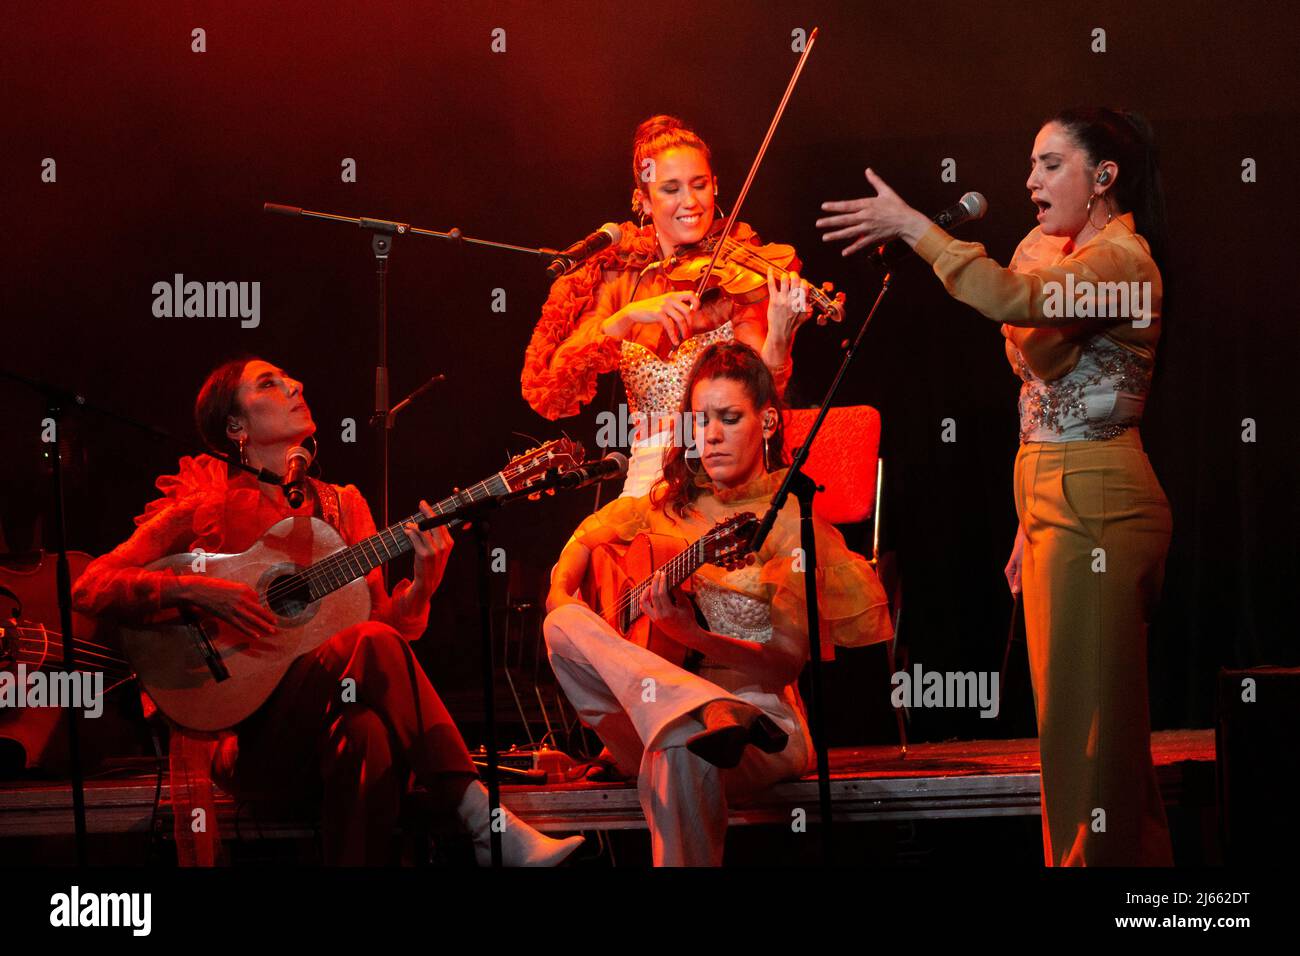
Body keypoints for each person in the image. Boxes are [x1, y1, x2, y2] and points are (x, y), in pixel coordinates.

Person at [818, 107, 1172, 866]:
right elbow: (1039, 364)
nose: (1030, 180)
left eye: (1050, 164)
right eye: (1032, 164)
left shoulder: (1123, 263)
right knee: (1076, 734)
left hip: (1100, 499)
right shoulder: (1055, 253)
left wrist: (918, 229)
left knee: (1091, 735)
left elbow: (1015, 308)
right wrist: (1025, 521)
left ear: (1104, 176)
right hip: (1053, 499)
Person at [73, 357, 583, 867]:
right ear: (235, 427)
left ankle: (476, 826)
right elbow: (91, 586)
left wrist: (424, 586)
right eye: (269, 384)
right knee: (364, 665)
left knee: (367, 732)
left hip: (322, 728)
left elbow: (380, 632)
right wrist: (197, 591)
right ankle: (482, 821)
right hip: (242, 738)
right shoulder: (204, 502)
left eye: (291, 377)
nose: (296, 384)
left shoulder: (341, 507)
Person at [543, 342, 894, 865]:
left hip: (760, 720)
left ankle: (697, 715)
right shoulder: (667, 503)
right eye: (701, 421)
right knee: (560, 624)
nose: (709, 435)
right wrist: (560, 590)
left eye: (728, 418)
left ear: (768, 421)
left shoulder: (790, 522)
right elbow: (581, 541)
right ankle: (696, 707)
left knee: (679, 747)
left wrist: (691, 636)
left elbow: (785, 664)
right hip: (643, 716)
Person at [522, 114, 820, 497]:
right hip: (648, 477)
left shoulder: (738, 267)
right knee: (583, 554)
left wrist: (779, 334)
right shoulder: (618, 276)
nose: (690, 202)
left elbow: (761, 393)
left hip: (728, 473)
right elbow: (553, 388)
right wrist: (629, 316)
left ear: (715, 186)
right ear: (643, 200)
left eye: (699, 185)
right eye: (671, 189)